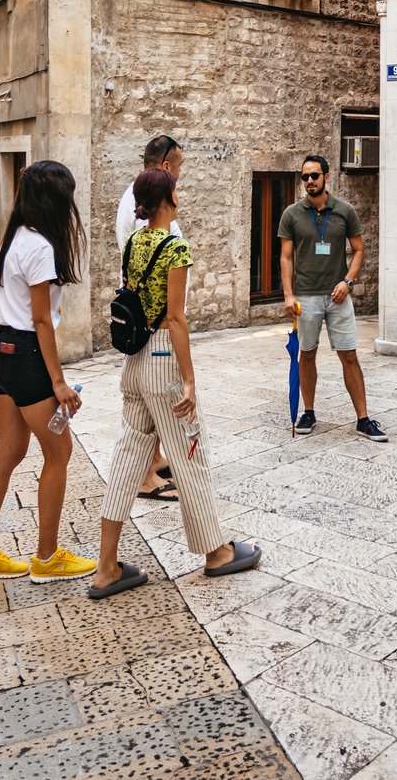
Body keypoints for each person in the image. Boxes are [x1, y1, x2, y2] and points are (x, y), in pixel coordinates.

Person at [90, 168, 261, 598]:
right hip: (164, 358)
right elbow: (175, 317)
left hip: (134, 362)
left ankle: (106, 566)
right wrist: (189, 379)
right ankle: (216, 553)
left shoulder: (133, 243)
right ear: (168, 198)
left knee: (128, 459)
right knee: (190, 452)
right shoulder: (175, 247)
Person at [0, 161, 96, 583]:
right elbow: (41, 321)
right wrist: (57, 382)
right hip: (26, 355)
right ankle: (47, 557)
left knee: (9, 451)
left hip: (5, 350)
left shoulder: (15, 238)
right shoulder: (40, 247)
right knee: (59, 454)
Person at [280, 154, 387, 442]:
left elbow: (359, 250)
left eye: (315, 176)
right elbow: (286, 257)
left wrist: (348, 281)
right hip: (306, 297)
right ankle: (309, 412)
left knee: (349, 356)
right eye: (305, 177)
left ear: (327, 177)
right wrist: (289, 295)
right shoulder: (292, 214)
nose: (310, 181)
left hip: (338, 297)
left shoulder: (345, 211)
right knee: (307, 354)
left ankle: (363, 419)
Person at [115, 134, 186, 503]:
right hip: (154, 324)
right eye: (178, 168)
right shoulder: (142, 209)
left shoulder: (139, 197)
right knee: (153, 401)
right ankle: (143, 475)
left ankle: (153, 460)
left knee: (146, 400)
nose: (180, 177)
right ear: (165, 167)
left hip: (152, 319)